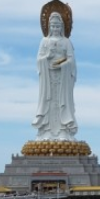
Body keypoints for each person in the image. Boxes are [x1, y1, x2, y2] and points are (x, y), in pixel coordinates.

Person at [32, 8, 78, 141]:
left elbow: (71, 60)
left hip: (63, 79)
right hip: (48, 78)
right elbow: (39, 60)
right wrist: (48, 56)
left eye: (58, 26)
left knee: (62, 102)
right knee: (49, 102)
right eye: (53, 26)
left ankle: (64, 131)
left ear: (62, 27)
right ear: (49, 27)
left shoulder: (66, 42)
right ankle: (46, 132)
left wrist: (63, 64)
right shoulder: (44, 41)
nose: (55, 28)